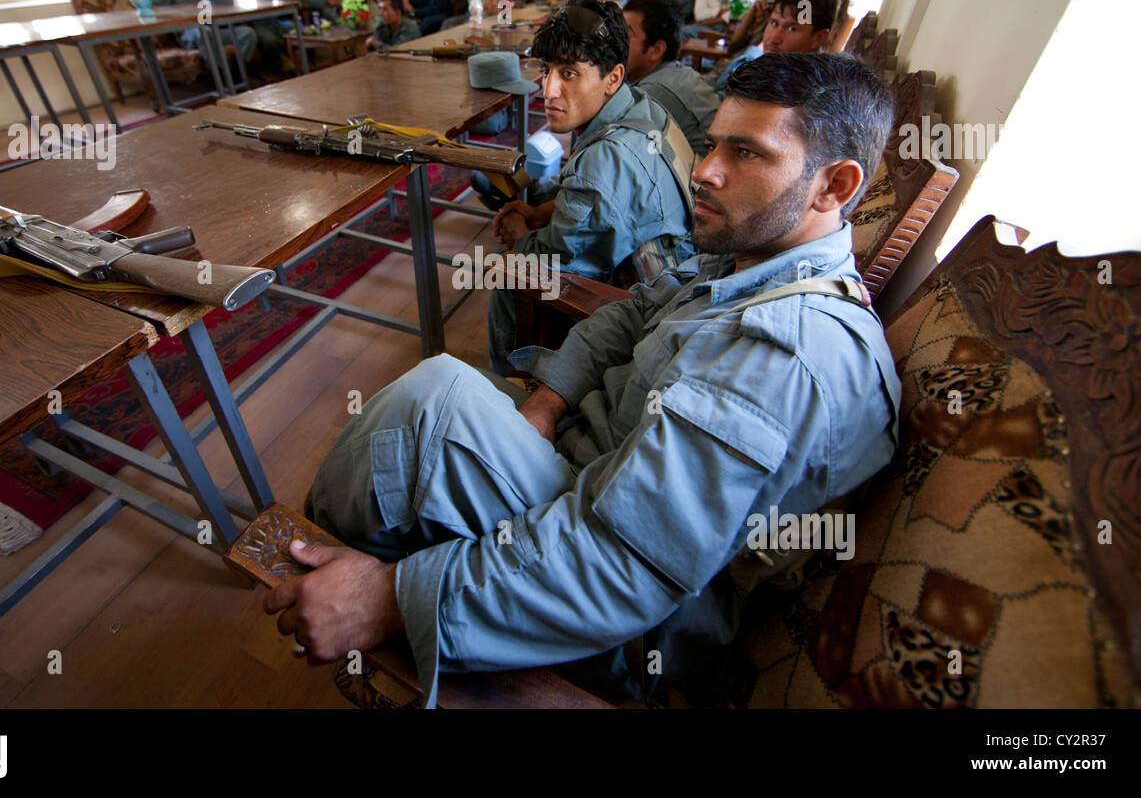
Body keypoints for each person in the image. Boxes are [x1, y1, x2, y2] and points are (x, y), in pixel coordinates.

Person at [264, 53, 901, 708]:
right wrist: (545, 402)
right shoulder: (751, 261)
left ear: (833, 186)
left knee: (432, 406)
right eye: (712, 144)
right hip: (588, 486)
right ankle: (334, 566)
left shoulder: (785, 359)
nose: (704, 171)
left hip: (631, 614)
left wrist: (394, 602)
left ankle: (331, 573)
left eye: (747, 153)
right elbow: (629, 314)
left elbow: (620, 567)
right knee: (439, 406)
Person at [484, 0, 694, 373]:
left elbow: (557, 259)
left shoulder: (600, 162)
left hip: (650, 308)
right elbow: (606, 202)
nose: (547, 91)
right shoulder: (641, 105)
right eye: (546, 69)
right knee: (546, 196)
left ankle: (508, 391)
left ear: (612, 77)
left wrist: (518, 236)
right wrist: (537, 212)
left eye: (568, 73)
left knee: (509, 276)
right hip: (676, 259)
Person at [622, 0, 721, 158]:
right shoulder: (676, 73)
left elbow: (626, 156)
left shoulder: (653, 94)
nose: (616, 41)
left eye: (627, 34)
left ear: (656, 50)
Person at [711, 0, 839, 91]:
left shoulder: (799, 88)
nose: (773, 38)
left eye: (792, 29)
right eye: (774, 23)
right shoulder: (774, 67)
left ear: (819, 38)